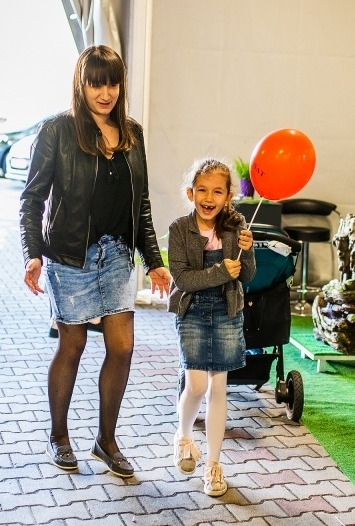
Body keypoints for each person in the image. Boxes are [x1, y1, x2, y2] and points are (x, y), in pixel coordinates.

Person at [19, 45, 171, 478]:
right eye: (96, 84)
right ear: (81, 84)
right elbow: (32, 199)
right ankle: (59, 435)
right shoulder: (57, 131)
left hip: (117, 256)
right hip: (70, 257)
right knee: (73, 345)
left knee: (122, 348)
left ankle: (106, 441)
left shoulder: (132, 134)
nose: (105, 93)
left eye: (112, 84)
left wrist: (153, 260)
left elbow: (141, 204)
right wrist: (32, 254)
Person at [167, 158, 255, 497]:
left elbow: (247, 276)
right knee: (196, 385)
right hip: (192, 310)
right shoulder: (179, 229)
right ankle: (183, 436)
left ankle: (214, 466)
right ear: (191, 193)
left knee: (219, 388)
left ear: (228, 196)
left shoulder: (237, 225)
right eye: (202, 190)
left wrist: (247, 252)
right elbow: (183, 279)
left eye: (217, 191)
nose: (209, 197)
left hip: (227, 310)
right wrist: (220, 272)